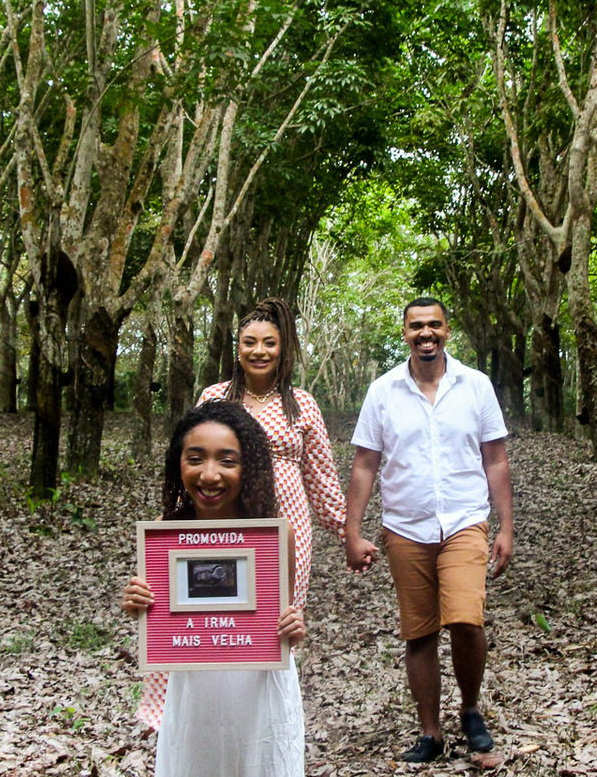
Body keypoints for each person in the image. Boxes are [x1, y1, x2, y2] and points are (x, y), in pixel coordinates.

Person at [344, 297, 515, 763]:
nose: (426, 333)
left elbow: (495, 459)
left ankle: (471, 710)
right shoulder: (383, 391)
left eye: (434, 325)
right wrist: (352, 532)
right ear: (404, 333)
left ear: (447, 330)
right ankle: (430, 733)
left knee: (466, 619)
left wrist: (506, 526)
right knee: (419, 632)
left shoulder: (475, 385)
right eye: (416, 326)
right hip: (405, 526)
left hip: (464, 520)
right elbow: (365, 464)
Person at [122, 401, 307, 776]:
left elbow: (279, 621)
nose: (209, 474)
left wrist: (293, 627)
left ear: (248, 466)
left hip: (259, 688)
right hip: (195, 688)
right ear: (178, 463)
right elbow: (162, 619)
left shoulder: (275, 535)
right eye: (195, 459)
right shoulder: (164, 535)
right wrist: (138, 602)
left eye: (227, 461)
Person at [197, 297, 346, 610]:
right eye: (249, 342)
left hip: (288, 528)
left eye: (269, 343)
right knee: (226, 611)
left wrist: (348, 532)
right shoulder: (214, 397)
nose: (259, 351)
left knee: (281, 616)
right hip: (225, 522)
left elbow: (321, 478)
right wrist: (174, 519)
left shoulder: (302, 404)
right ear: (238, 349)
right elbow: (193, 460)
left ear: (282, 349)